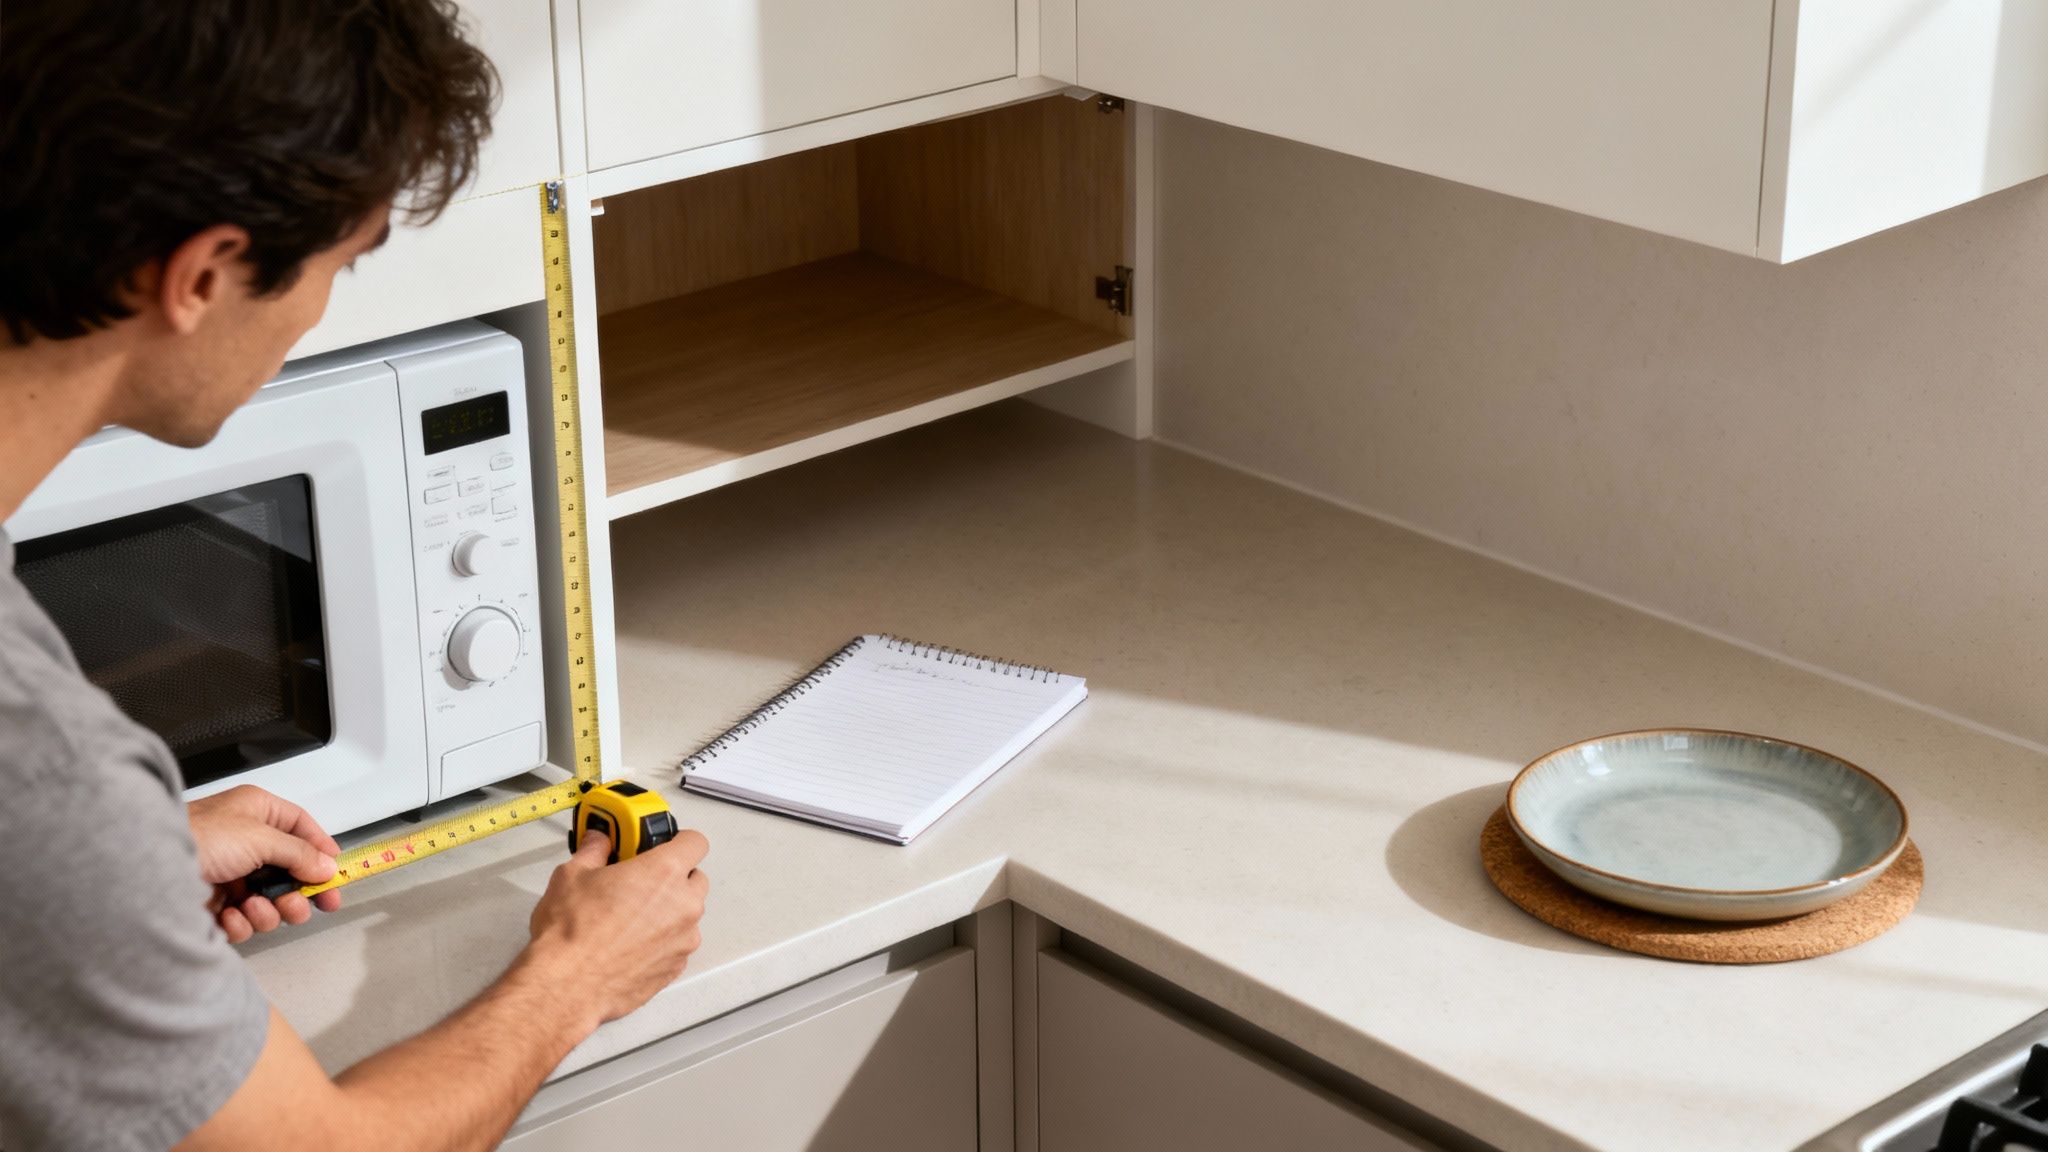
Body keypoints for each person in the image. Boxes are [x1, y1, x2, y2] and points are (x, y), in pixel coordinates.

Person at [0, 3, 712, 1149]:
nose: (325, 310)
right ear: (206, 274)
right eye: (341, 263)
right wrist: (579, 972)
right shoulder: (39, 770)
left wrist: (128, 861)